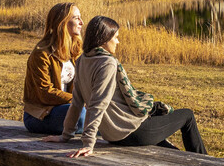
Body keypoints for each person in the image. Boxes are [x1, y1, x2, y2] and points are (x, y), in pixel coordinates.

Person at [42, 15, 207, 157]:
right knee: (187, 115)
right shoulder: (107, 63)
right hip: (132, 132)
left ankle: (188, 160)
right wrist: (88, 143)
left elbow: (77, 103)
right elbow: (98, 104)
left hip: (112, 135)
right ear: (104, 39)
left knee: (163, 133)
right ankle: (206, 161)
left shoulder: (82, 60)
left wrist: (66, 135)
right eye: (115, 37)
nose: (118, 42)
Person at [22, 2, 84, 135]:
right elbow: (45, 92)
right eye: (76, 18)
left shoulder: (76, 52)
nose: (81, 22)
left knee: (103, 111)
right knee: (80, 114)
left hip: (70, 107)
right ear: (62, 22)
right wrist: (79, 100)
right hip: (41, 115)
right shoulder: (42, 54)